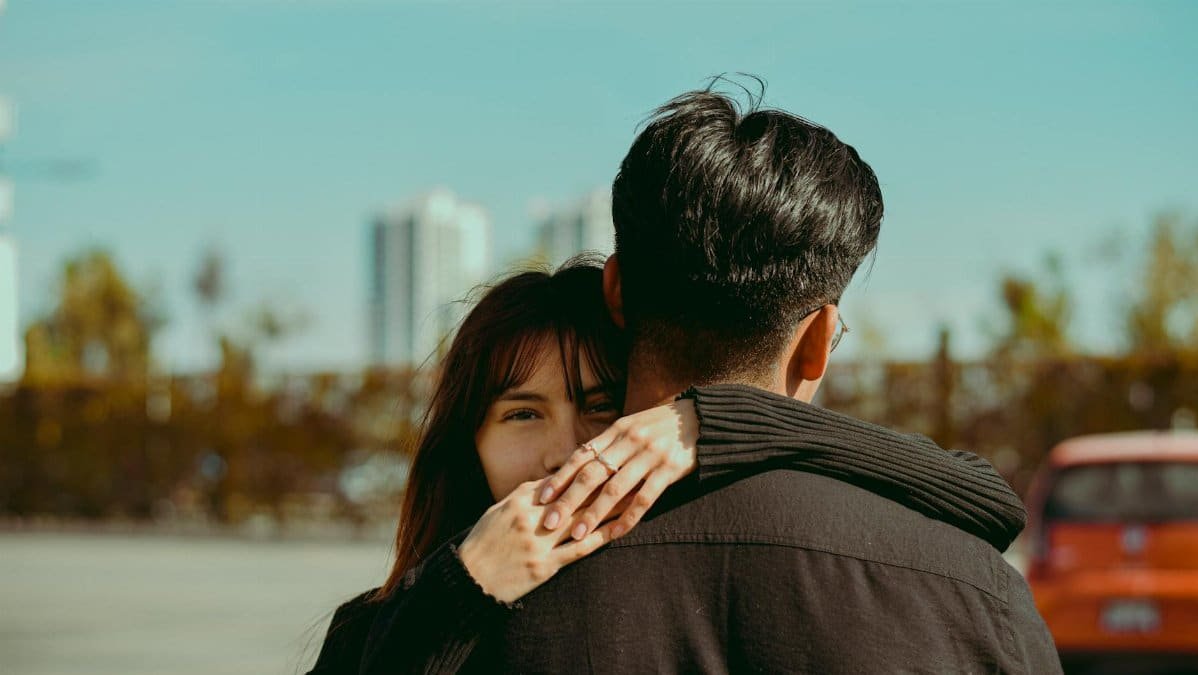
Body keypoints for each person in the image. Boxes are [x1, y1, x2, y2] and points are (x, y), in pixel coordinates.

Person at [435, 88, 1061, 673]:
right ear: (818, 341)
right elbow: (993, 505)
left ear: (616, 290)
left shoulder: (476, 595)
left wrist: (714, 420)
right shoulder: (977, 595)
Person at [310, 261, 1030, 674]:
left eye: (599, 406)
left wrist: (719, 422)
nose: (567, 450)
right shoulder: (382, 624)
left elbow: (986, 497)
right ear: (469, 442)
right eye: (522, 414)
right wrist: (465, 586)